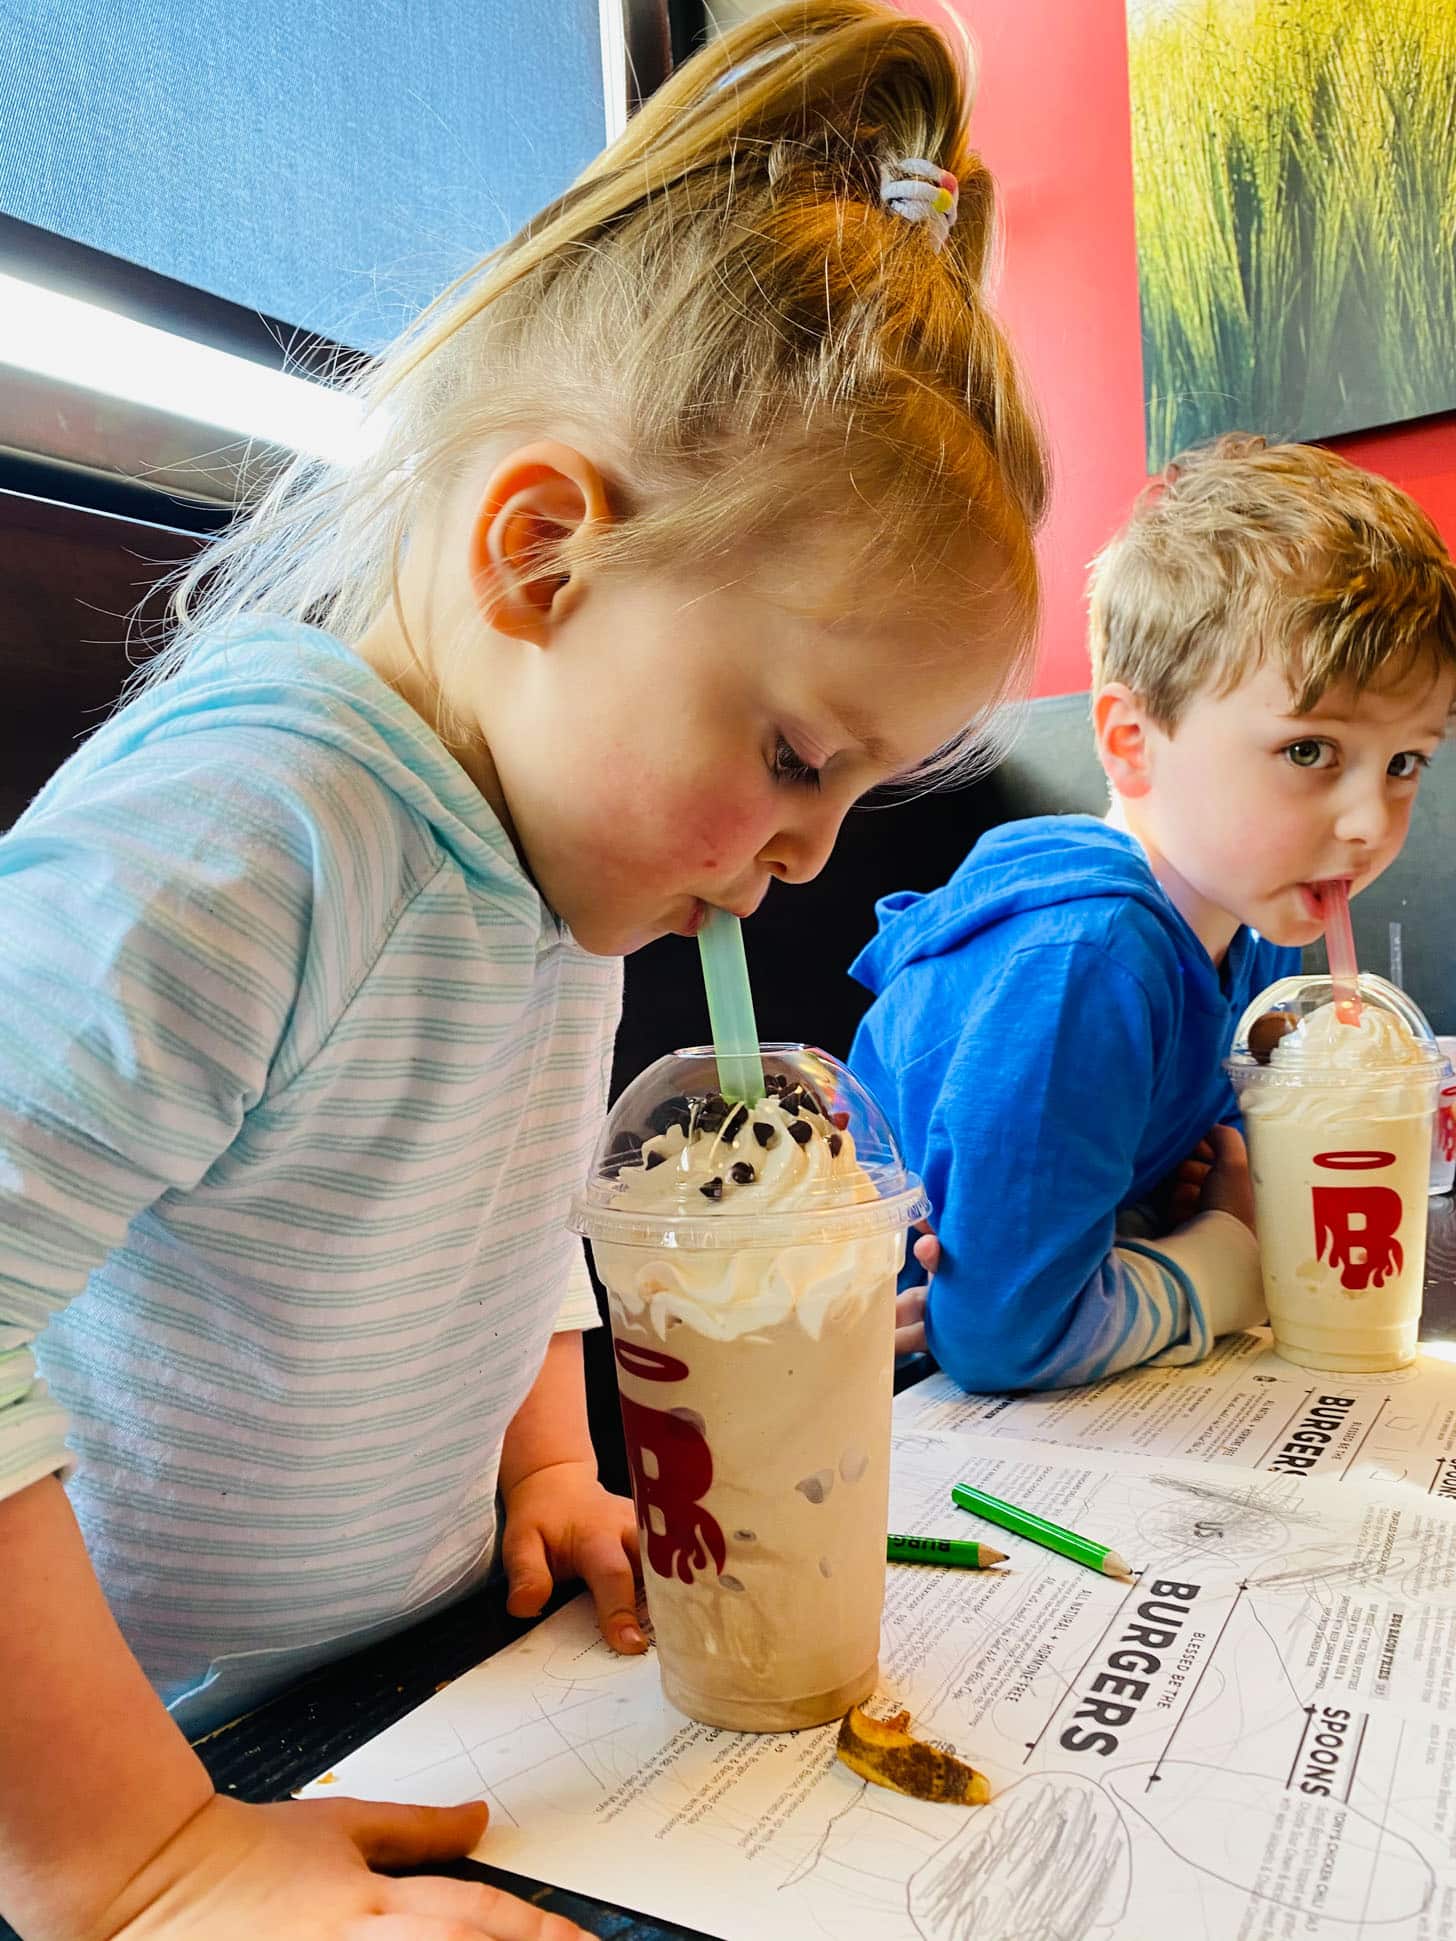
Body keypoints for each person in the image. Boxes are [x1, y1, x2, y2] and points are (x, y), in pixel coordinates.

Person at [0, 5, 1047, 1937]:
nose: (811, 855)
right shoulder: (271, 820)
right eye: (797, 757)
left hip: (387, 1690)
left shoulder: (559, 870)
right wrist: (126, 1858)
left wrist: (550, 1459)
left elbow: (501, 1225)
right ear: (543, 554)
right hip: (123, 1759)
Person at [852, 435, 1456, 1394]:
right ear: (1132, 742)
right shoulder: (1091, 958)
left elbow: (1206, 1175)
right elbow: (1000, 1333)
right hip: (878, 1386)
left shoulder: (1255, 932)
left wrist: (1212, 1197)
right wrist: (1228, 1260)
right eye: (1309, 751)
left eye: (1405, 762)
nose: (1370, 823)